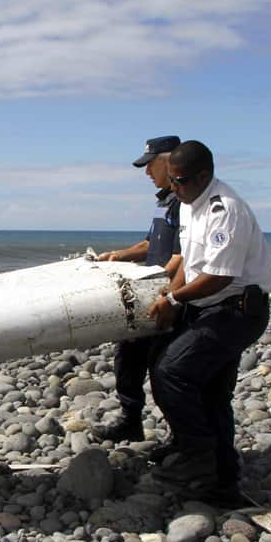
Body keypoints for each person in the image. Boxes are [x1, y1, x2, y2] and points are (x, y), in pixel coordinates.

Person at [148, 141, 271, 502]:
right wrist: (172, 296)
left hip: (237, 311)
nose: (174, 188)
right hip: (210, 307)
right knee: (210, 392)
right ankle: (221, 481)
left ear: (205, 176)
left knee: (173, 371)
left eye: (181, 181)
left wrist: (173, 299)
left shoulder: (225, 211)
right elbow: (189, 260)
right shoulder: (190, 203)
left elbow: (218, 276)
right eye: (171, 180)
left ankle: (197, 456)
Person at [92, 135, 182, 444]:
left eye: (150, 166)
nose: (147, 173)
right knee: (127, 356)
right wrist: (117, 255)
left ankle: (180, 437)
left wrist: (165, 293)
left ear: (170, 162)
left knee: (164, 369)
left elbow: (182, 258)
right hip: (149, 292)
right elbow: (149, 245)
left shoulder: (185, 203)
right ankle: (130, 419)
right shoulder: (163, 202)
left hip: (169, 296)